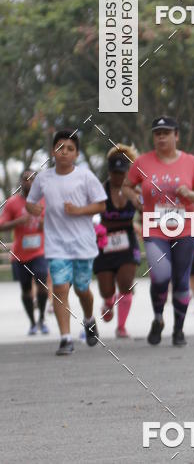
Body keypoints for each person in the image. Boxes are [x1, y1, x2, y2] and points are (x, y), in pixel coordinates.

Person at [124, 116, 194, 347]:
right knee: (160, 275)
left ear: (176, 136)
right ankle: (158, 318)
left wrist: (190, 194)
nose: (161, 137)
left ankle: (178, 329)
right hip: (154, 228)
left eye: (166, 133)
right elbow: (127, 187)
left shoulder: (191, 162)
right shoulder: (142, 162)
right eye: (157, 133)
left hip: (185, 228)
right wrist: (136, 201)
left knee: (181, 280)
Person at [26, 130, 107, 356]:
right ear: (53, 151)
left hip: (82, 244)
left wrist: (79, 210)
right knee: (60, 288)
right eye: (60, 147)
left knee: (82, 289)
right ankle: (65, 338)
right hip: (56, 244)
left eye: (70, 149)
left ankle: (89, 319)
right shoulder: (43, 178)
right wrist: (33, 208)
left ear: (77, 154)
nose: (65, 152)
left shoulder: (86, 177)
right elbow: (30, 203)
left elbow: (101, 205)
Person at [93, 145, 143, 338]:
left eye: (122, 173)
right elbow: (90, 214)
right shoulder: (99, 190)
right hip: (104, 241)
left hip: (127, 240)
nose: (118, 177)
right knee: (106, 289)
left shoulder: (134, 190)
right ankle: (108, 300)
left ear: (127, 172)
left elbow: (146, 211)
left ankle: (121, 327)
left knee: (126, 283)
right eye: (115, 173)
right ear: (109, 172)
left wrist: (140, 206)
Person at [0, 168, 49, 335]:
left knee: (42, 283)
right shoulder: (12, 202)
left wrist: (44, 224)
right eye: (26, 179)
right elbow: (1, 225)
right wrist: (19, 221)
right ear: (21, 182)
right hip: (20, 255)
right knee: (26, 290)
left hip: (40, 252)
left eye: (33, 179)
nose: (29, 182)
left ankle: (42, 318)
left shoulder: (44, 201)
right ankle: (32, 322)